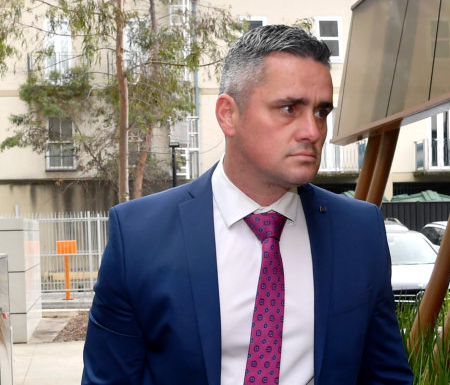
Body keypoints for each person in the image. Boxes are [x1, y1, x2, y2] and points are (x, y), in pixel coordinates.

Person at [82, 25, 413, 385]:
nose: (314, 131)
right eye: (289, 108)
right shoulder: (139, 235)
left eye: (321, 111)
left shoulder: (359, 231)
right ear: (228, 114)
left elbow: (385, 375)